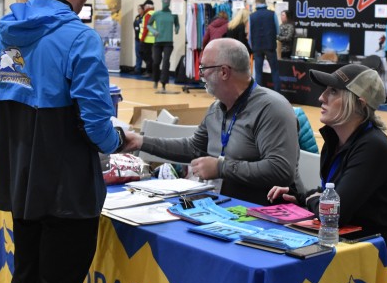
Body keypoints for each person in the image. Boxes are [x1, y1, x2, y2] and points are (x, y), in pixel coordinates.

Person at [0, 0, 125, 283]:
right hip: (68, 190)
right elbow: (96, 122)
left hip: (21, 180)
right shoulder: (80, 38)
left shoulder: (5, 34)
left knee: (24, 280)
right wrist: (118, 142)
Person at [267, 64, 387, 283]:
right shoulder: (335, 140)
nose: (321, 98)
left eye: (333, 92)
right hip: (341, 251)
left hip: (374, 264)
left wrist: (313, 198)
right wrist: (300, 198)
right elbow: (331, 199)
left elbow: (334, 212)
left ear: (358, 102)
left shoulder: (373, 146)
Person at [121, 38, 304, 205]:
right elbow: (193, 148)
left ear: (224, 72)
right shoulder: (217, 108)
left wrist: (221, 167)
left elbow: (281, 170)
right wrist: (140, 141)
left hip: (262, 216)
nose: (200, 76)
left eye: (203, 69)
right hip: (223, 207)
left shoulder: (272, 108)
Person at [147, 0, 180, 92]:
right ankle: (155, 80)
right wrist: (153, 31)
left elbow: (177, 24)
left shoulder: (173, 14)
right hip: (158, 42)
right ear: (162, 2)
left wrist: (177, 29)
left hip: (168, 42)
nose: (166, 3)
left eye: (167, 1)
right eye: (164, 1)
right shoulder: (156, 14)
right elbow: (148, 25)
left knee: (166, 62)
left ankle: (164, 83)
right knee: (156, 62)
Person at [249, 0, 281, 92]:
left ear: (256, 3)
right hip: (270, 46)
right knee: (274, 71)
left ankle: (259, 94)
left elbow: (250, 34)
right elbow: (278, 31)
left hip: (257, 47)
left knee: (258, 72)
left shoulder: (252, 16)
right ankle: (278, 93)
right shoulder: (272, 14)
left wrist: (252, 46)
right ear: (265, 2)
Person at [139, 0, 155, 78]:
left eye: (144, 6)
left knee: (146, 56)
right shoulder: (155, 13)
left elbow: (146, 28)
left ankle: (149, 71)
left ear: (147, 6)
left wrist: (142, 39)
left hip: (147, 40)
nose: (143, 8)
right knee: (151, 57)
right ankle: (151, 71)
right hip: (154, 40)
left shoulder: (148, 14)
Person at [132, 4, 144, 74]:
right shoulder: (137, 17)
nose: (138, 10)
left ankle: (149, 70)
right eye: (138, 9)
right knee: (138, 54)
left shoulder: (145, 17)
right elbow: (134, 25)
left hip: (143, 39)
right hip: (137, 38)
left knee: (144, 55)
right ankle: (138, 69)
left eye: (139, 8)